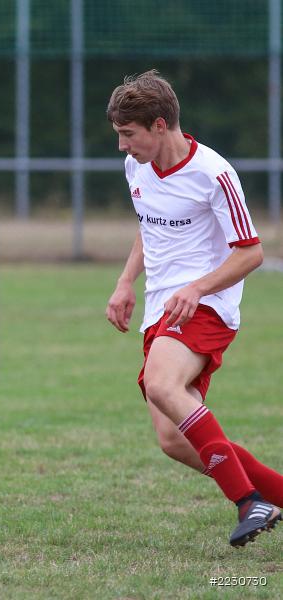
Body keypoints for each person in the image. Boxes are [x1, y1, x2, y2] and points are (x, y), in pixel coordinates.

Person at [105, 70, 282, 546]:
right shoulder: (137, 169)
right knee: (174, 440)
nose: (123, 146)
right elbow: (150, 225)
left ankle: (249, 502)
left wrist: (199, 288)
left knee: (163, 384)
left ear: (159, 125)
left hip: (207, 306)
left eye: (128, 135)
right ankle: (276, 493)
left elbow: (251, 252)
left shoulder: (214, 173)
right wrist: (125, 282)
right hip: (160, 309)